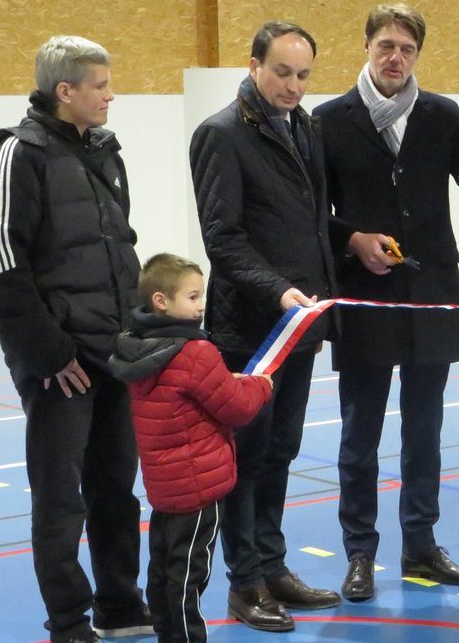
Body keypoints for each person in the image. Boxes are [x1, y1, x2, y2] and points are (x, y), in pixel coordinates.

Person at [0, 36, 150, 643]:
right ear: (64, 91)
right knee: (61, 499)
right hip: (58, 366)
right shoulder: (16, 156)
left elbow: (116, 250)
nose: (111, 94)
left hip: (114, 355)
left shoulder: (103, 151)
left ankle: (121, 607)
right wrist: (49, 354)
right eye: (100, 85)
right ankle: (69, 622)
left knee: (116, 492)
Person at [314, 4, 459, 601]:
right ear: (366, 46)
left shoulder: (440, 113)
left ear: (417, 54)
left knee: (426, 429)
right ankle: (360, 553)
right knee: (359, 433)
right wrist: (351, 241)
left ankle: (420, 545)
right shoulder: (328, 120)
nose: (396, 57)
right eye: (386, 45)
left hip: (432, 289)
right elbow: (316, 211)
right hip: (364, 293)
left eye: (407, 49)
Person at [190, 20, 341, 631]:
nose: (293, 86)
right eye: (282, 72)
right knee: (247, 458)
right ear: (253, 66)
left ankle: (272, 565)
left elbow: (309, 222)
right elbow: (221, 238)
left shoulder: (306, 128)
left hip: (299, 324)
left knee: (282, 449)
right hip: (247, 329)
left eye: (303, 75)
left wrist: (347, 247)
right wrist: (278, 290)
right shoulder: (220, 134)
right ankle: (244, 583)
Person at [107, 255, 273, 643]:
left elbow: (188, 393)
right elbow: (238, 406)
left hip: (165, 486)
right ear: (162, 301)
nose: (201, 306)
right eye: (193, 296)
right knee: (188, 575)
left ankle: (167, 633)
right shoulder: (194, 352)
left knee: (164, 566)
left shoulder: (138, 347)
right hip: (199, 486)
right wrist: (260, 385)